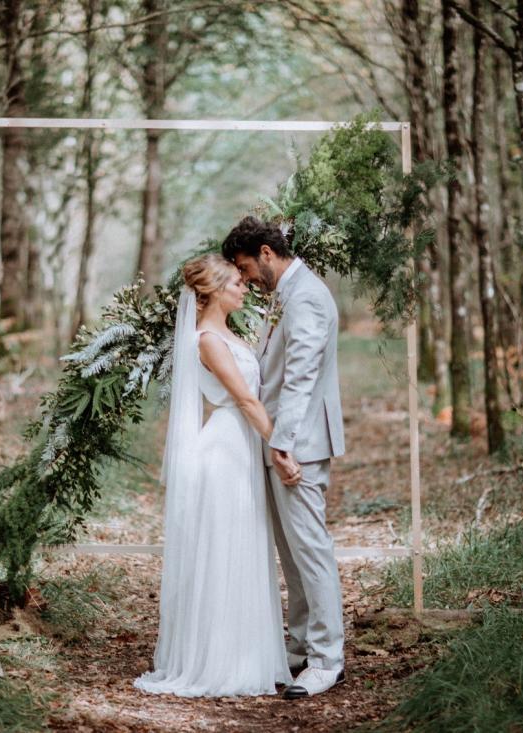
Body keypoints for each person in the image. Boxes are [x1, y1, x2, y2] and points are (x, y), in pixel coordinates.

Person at [135, 253, 292, 697]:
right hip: (225, 451)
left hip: (240, 447)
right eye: (236, 284)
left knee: (242, 549)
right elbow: (244, 400)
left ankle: (247, 654)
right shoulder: (206, 339)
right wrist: (280, 448)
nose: (244, 288)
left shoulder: (229, 333)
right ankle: (220, 661)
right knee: (225, 552)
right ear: (214, 291)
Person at [222, 216, 347, 699]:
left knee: (311, 551)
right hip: (283, 440)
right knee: (292, 553)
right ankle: (298, 647)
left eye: (245, 267)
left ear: (267, 253)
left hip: (300, 445)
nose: (246, 278)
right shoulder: (287, 294)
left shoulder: (309, 296)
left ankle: (327, 660)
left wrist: (283, 445)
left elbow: (302, 376)